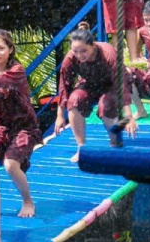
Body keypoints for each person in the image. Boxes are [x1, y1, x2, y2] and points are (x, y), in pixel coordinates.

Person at [0, 29, 39, 222]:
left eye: (1, 48)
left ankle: (27, 200)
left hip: (23, 127)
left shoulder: (16, 71)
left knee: (10, 165)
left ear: (10, 50)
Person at [52, 22, 136, 155]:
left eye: (83, 51)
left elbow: (121, 85)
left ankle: (115, 143)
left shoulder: (108, 54)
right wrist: (60, 115)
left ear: (93, 45)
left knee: (105, 104)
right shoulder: (70, 58)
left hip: (110, 85)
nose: (79, 55)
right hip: (89, 84)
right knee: (74, 100)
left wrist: (128, 116)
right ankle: (81, 147)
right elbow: (64, 87)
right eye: (75, 51)